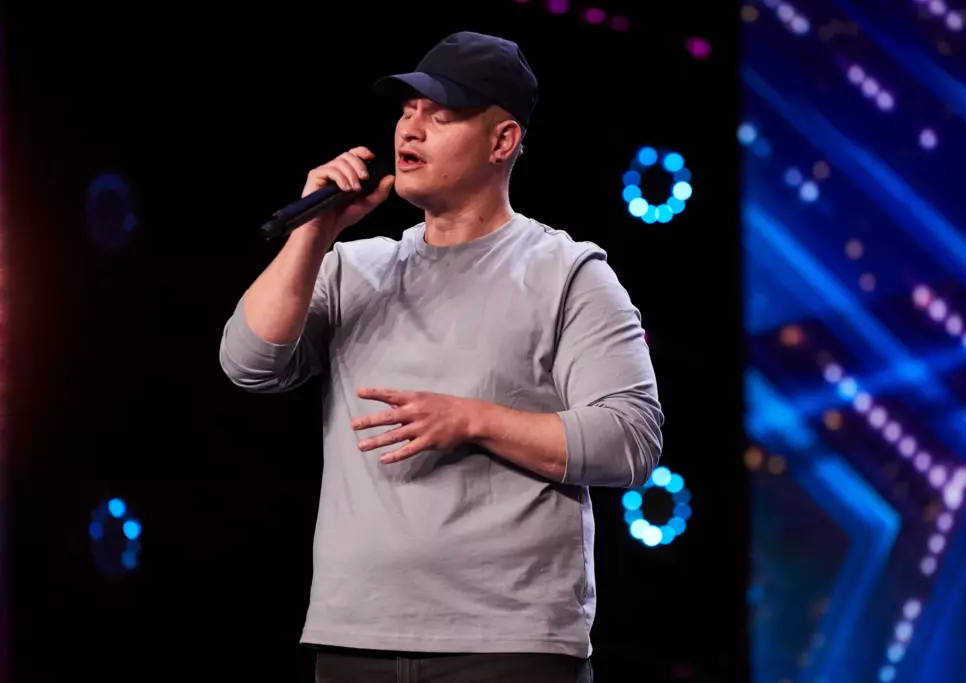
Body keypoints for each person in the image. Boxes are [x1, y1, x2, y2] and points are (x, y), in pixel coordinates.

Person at [219, 31, 663, 683]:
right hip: (355, 636)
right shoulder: (352, 268)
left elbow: (630, 438)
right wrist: (312, 235)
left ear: (502, 141)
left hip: (508, 645)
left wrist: (472, 419)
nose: (411, 127)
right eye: (407, 110)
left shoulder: (567, 272)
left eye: (442, 113)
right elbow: (249, 362)